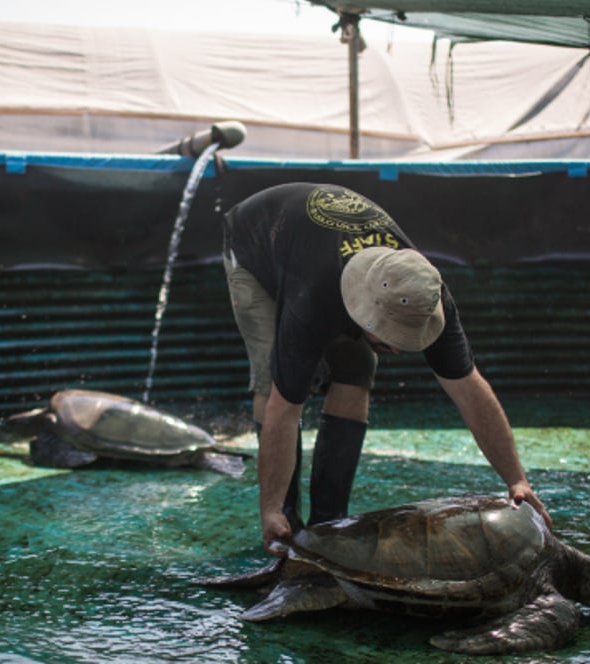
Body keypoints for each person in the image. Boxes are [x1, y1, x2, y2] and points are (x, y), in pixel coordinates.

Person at [221, 182, 550, 555]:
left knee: (358, 370)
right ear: (362, 306)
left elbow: (470, 389)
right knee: (273, 379)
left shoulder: (425, 292)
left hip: (325, 250)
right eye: (391, 334)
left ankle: (330, 517)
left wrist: (516, 479)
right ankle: (287, 518)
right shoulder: (311, 299)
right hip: (254, 247)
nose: (397, 347)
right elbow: (285, 408)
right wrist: (271, 509)